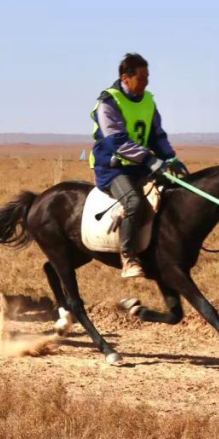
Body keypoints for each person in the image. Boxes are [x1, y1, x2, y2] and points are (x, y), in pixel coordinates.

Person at [90, 54, 188, 279]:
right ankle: (128, 256)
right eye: (142, 78)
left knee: (174, 191)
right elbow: (116, 141)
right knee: (134, 202)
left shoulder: (148, 101)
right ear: (126, 78)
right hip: (113, 169)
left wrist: (170, 158)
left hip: (141, 166)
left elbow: (157, 135)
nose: (146, 82)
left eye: (148, 77)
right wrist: (149, 159)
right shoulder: (108, 102)